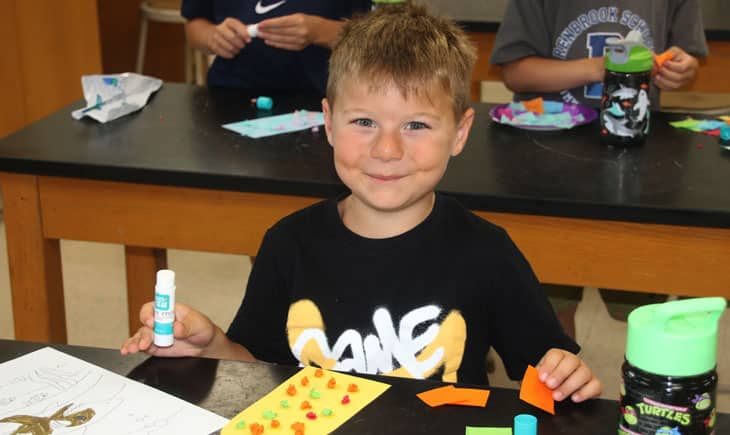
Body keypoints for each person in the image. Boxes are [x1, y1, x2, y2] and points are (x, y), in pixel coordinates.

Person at [122, 3, 602, 403]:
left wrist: (567, 374)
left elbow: (551, 370)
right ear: (328, 123)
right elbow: (259, 370)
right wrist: (211, 345)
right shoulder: (288, 243)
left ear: (459, 133)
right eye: (364, 122)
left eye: (416, 125)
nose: (387, 150)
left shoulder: (487, 252)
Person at [489, 0, 708, 108]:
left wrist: (683, 69)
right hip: (545, 141)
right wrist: (599, 68)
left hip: (635, 135)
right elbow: (514, 74)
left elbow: (688, 57)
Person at [181, 0, 372, 94]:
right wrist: (213, 37)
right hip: (230, 97)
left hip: (322, 101)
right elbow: (194, 25)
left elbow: (381, 36)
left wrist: (320, 31)